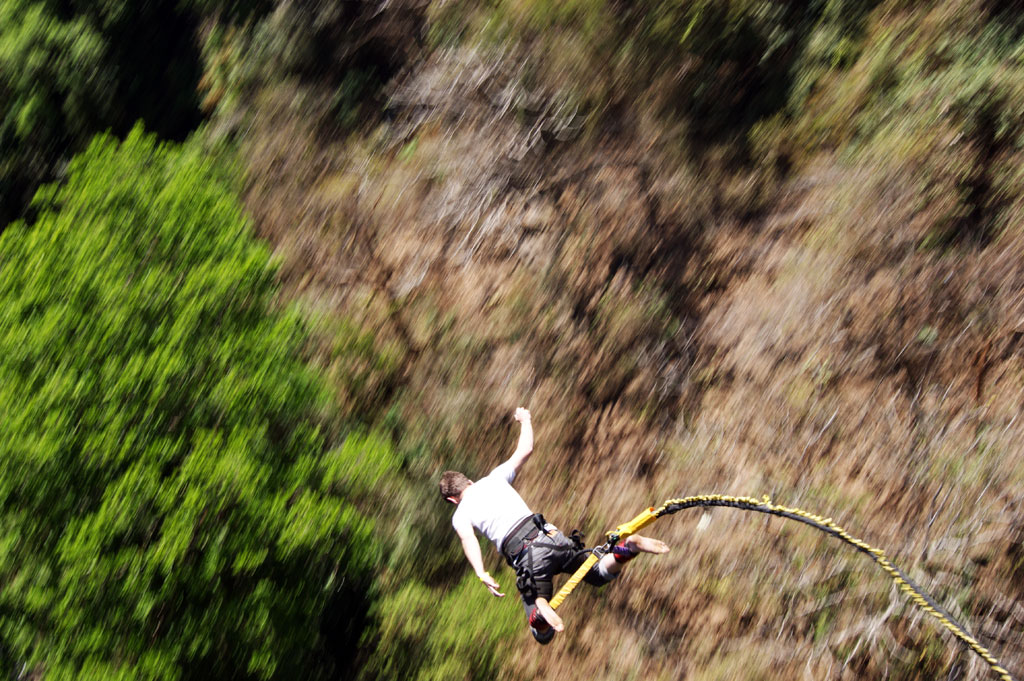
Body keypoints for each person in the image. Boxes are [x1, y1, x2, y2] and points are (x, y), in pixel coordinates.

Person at [439, 407, 669, 643]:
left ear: (452, 499)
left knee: (542, 633)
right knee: (598, 573)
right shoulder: (495, 477)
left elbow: (468, 539)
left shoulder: (460, 513)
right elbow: (526, 449)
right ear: (467, 480)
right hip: (552, 537)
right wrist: (526, 419)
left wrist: (480, 572)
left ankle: (540, 603)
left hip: (527, 556)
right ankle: (628, 547)